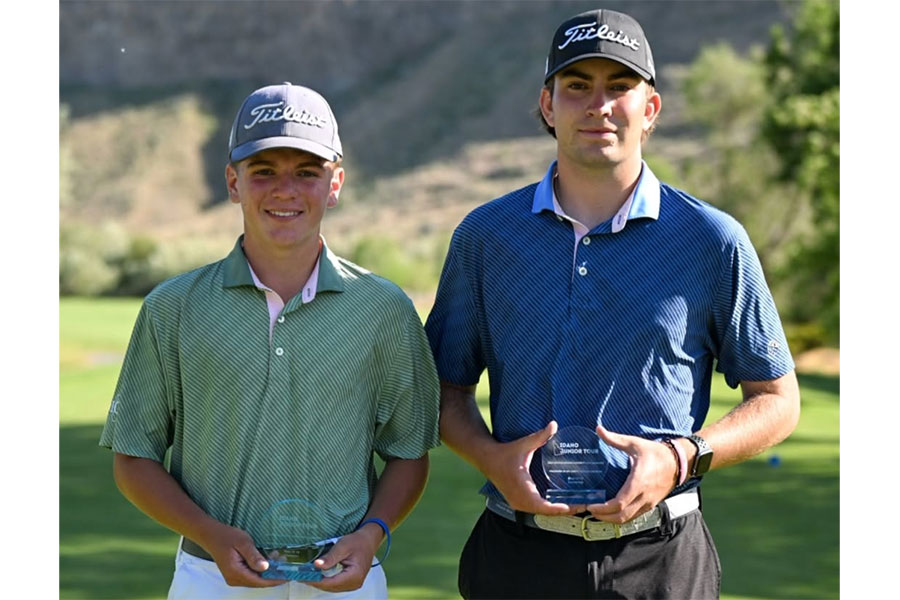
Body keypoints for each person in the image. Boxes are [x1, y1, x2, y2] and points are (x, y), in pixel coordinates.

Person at [424, 8, 800, 599]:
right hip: (516, 556)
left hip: (662, 558)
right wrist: (492, 460)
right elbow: (444, 393)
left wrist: (682, 459)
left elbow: (777, 400)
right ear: (548, 105)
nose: (598, 105)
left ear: (649, 109)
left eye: (619, 86)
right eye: (577, 86)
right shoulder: (486, 237)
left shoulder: (711, 239)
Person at [100, 82, 441, 599]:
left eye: (307, 172)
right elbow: (133, 458)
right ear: (233, 182)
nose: (286, 190)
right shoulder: (172, 307)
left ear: (336, 183)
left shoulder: (385, 309)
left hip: (345, 579)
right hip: (210, 577)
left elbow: (409, 452)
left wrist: (372, 536)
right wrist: (211, 536)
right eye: (264, 172)